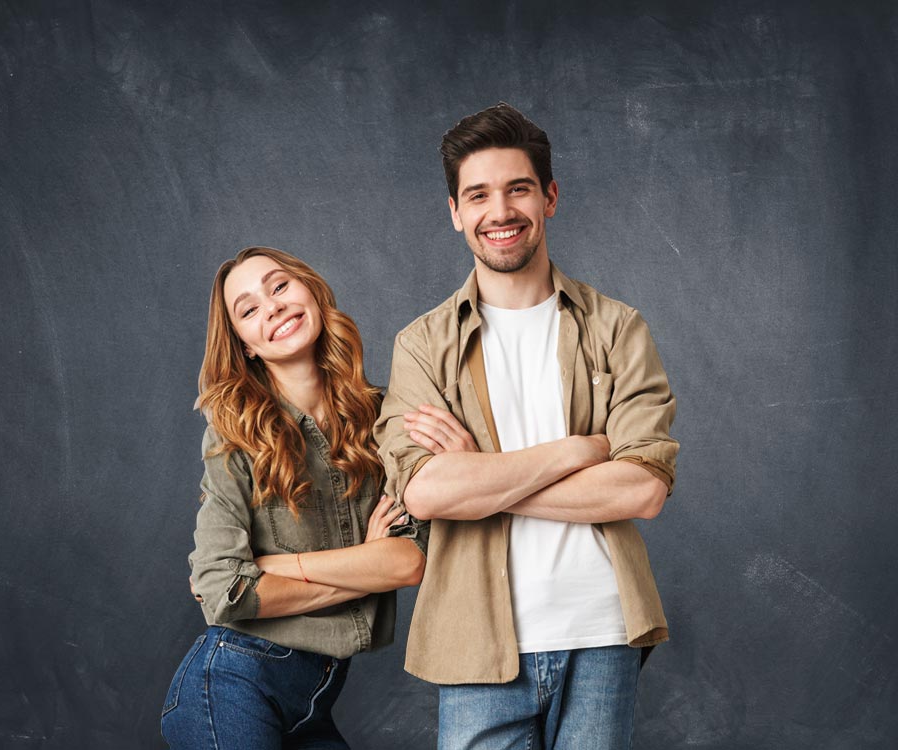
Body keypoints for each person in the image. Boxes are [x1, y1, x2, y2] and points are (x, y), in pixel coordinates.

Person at [375, 103, 679, 749]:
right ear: (456, 212)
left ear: (549, 197)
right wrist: (577, 451)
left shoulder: (616, 328)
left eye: (518, 189)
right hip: (475, 639)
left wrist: (480, 480)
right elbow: (425, 494)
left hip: (603, 631)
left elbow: (641, 491)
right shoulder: (424, 344)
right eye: (478, 194)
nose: (501, 211)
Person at [162, 247, 425, 749]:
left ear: (312, 292)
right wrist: (363, 567)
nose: (273, 307)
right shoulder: (233, 434)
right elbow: (223, 590)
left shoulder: (382, 417)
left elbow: (409, 562)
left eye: (279, 287)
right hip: (231, 685)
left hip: (313, 702)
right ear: (246, 347)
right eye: (249, 308)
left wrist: (278, 566)